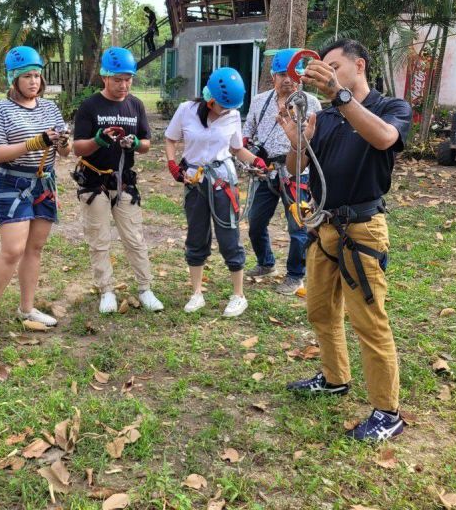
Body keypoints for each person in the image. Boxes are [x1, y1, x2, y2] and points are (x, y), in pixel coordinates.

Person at [277, 39, 412, 441]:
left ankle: (388, 413)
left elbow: (385, 139)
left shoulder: (389, 107)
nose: (326, 73)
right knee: (320, 310)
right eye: (324, 68)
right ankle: (335, 378)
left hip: (363, 230)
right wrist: (297, 141)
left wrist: (340, 95)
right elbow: (299, 166)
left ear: (359, 65)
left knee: (369, 321)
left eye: (333, 66)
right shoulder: (330, 115)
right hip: (326, 228)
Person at [0, 46, 71, 340]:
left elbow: (65, 154)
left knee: (35, 248)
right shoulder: (1, 110)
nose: (34, 81)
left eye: (37, 76)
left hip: (44, 183)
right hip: (13, 184)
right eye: (27, 76)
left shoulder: (50, 108)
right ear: (13, 79)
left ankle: (27, 308)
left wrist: (63, 143)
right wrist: (34, 143)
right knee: (13, 249)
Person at [164, 67, 266, 316]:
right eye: (222, 106)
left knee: (229, 236)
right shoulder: (186, 110)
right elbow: (170, 139)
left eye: (230, 107)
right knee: (196, 235)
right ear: (209, 99)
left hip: (223, 182)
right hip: (195, 181)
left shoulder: (232, 115)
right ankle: (196, 293)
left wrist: (255, 161)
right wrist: (172, 163)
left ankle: (238, 295)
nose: (226, 111)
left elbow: (236, 149)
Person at [72, 47, 163, 314]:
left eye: (128, 79)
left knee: (134, 237)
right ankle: (106, 291)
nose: (123, 85)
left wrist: (135, 143)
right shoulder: (90, 106)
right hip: (93, 183)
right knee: (99, 239)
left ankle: (145, 288)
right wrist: (97, 141)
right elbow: (78, 147)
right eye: (117, 80)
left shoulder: (135, 105)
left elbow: (146, 143)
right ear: (105, 77)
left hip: (124, 182)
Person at [243, 48, 321, 294]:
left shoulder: (311, 103)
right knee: (255, 222)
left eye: (293, 74)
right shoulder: (259, 101)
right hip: (265, 172)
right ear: (273, 76)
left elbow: (317, 140)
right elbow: (246, 135)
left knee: (298, 226)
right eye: (282, 74)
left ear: (300, 77)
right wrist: (250, 161)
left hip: (298, 172)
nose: (288, 80)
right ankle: (266, 263)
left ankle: (296, 274)